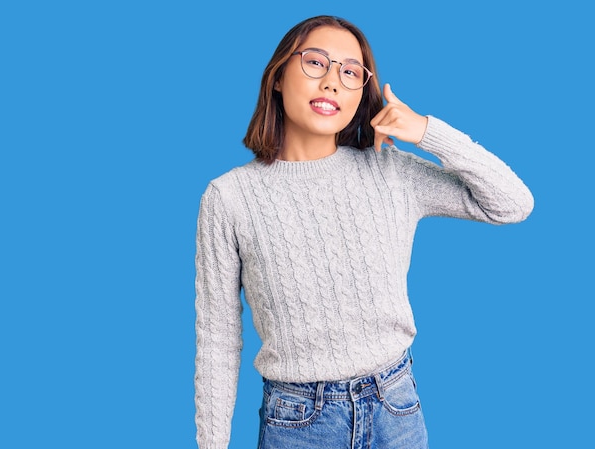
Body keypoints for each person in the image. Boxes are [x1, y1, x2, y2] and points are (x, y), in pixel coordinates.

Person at [194, 15, 533, 449]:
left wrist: (428, 132)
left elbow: (512, 203)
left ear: (361, 93)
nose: (333, 81)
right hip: (297, 423)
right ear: (278, 76)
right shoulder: (229, 197)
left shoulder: (392, 173)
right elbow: (218, 337)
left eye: (350, 72)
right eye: (316, 63)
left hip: (396, 409)